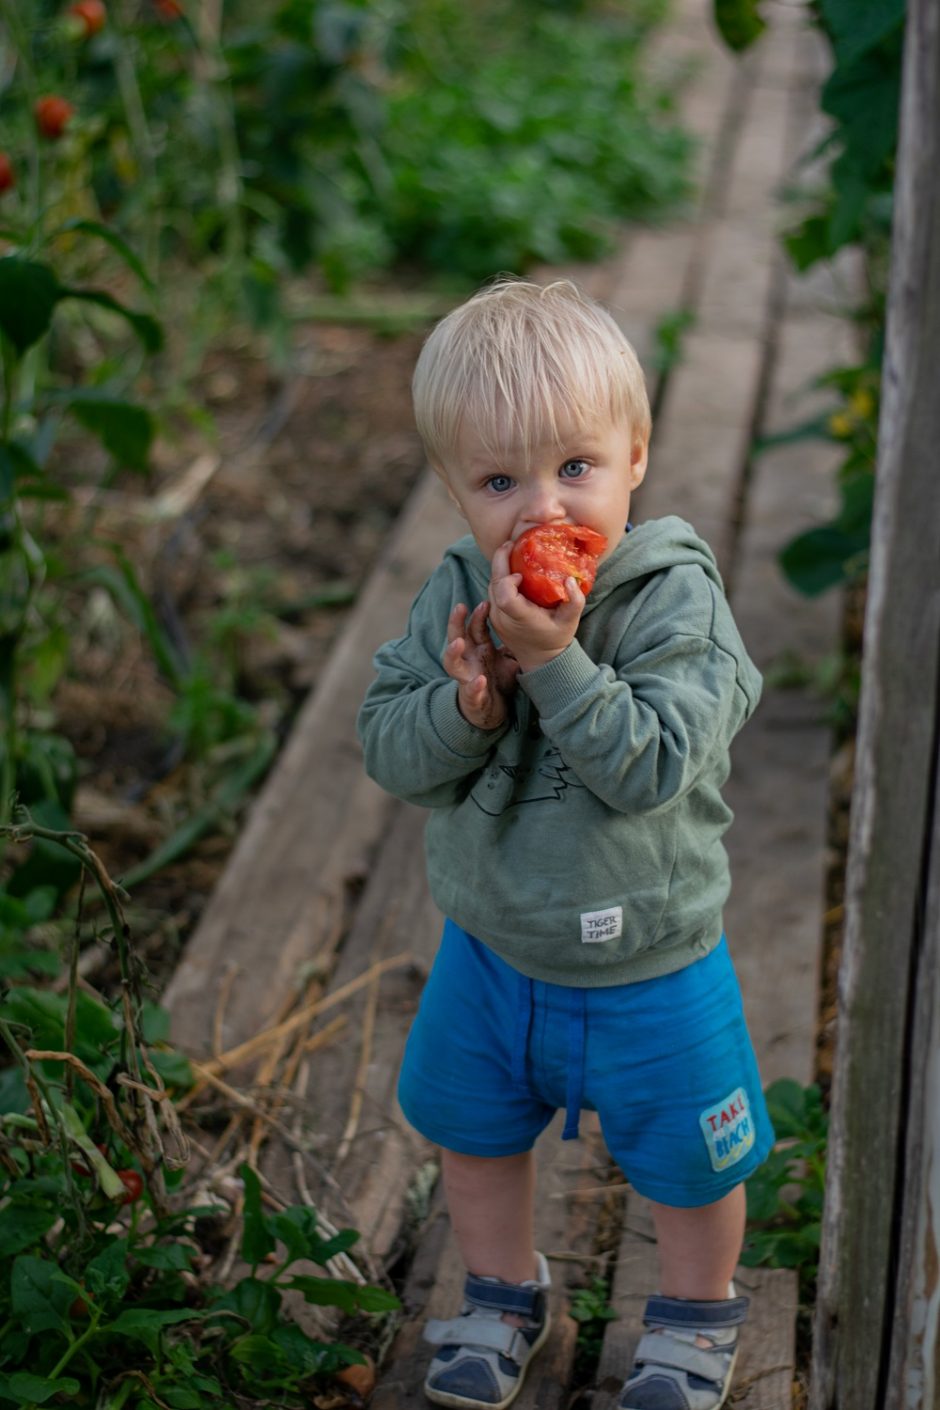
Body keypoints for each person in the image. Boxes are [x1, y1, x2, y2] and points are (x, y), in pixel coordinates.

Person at [357, 278, 774, 1410]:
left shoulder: (673, 603)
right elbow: (389, 752)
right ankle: (499, 1293)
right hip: (493, 947)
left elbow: (648, 765)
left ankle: (693, 1315)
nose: (544, 508)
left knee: (691, 1161)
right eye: (499, 482)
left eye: (575, 468)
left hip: (652, 954)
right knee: (472, 1131)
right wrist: (467, 707)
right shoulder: (458, 591)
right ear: (455, 492)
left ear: (634, 456)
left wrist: (551, 662)